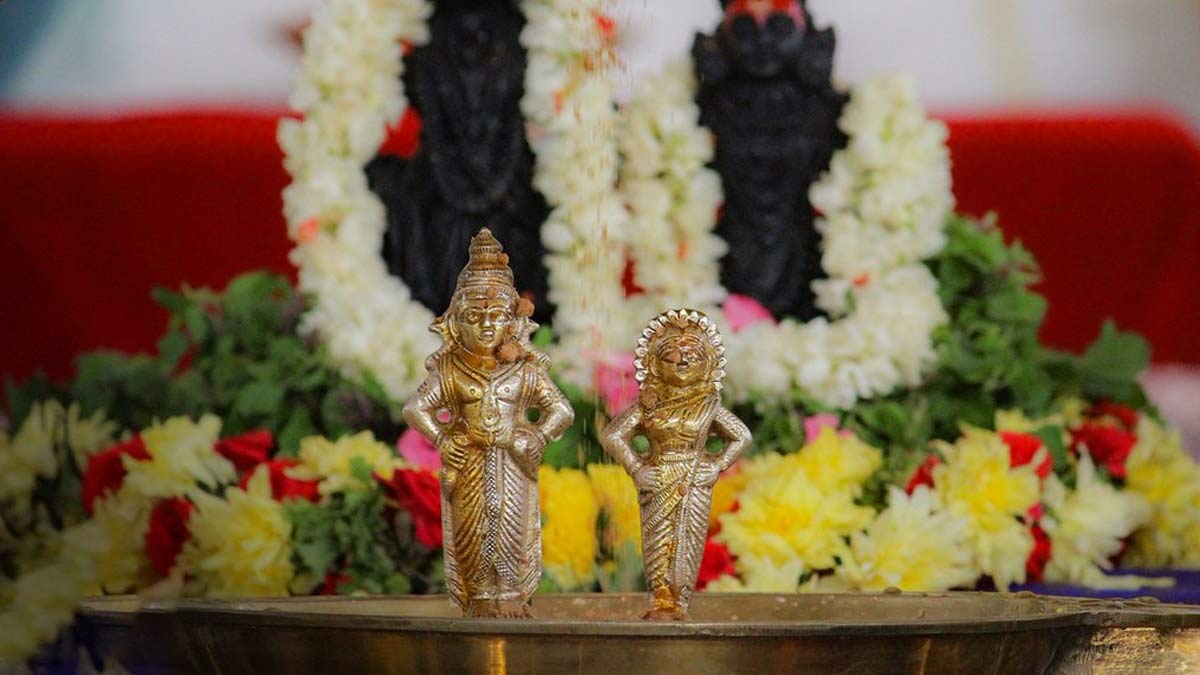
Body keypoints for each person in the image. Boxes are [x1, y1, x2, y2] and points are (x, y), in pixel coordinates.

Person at [403, 228, 574, 618]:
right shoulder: (451, 369)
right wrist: (443, 439)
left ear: (513, 323)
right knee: (472, 527)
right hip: (469, 464)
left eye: (496, 317)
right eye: (474, 317)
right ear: (454, 322)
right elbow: (416, 409)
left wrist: (536, 436)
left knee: (513, 524)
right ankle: (479, 594)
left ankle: (511, 593)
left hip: (513, 462)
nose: (485, 326)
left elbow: (561, 411)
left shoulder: (525, 370)